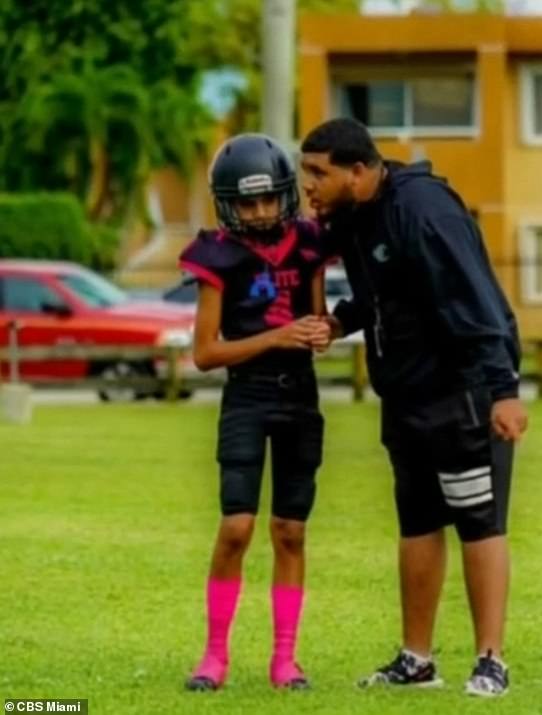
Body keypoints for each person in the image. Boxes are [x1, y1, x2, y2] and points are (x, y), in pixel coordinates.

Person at [300, 118, 528, 697]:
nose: (309, 186)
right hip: (406, 398)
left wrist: (502, 389)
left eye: (317, 174)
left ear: (358, 171)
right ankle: (416, 660)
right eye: (306, 173)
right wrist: (341, 320)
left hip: (462, 393)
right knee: (419, 523)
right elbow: (387, 291)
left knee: (478, 521)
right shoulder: (355, 217)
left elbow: (473, 297)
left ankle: (491, 661)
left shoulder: (424, 211)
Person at [180, 133, 331, 692]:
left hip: (300, 397)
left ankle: (284, 660)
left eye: (269, 199)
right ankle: (214, 656)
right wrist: (277, 337)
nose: (262, 211)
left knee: (290, 530)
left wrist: (321, 331)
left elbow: (317, 321)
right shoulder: (217, 255)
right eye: (248, 202)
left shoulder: (311, 244)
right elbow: (204, 353)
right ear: (228, 204)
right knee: (237, 527)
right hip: (247, 395)